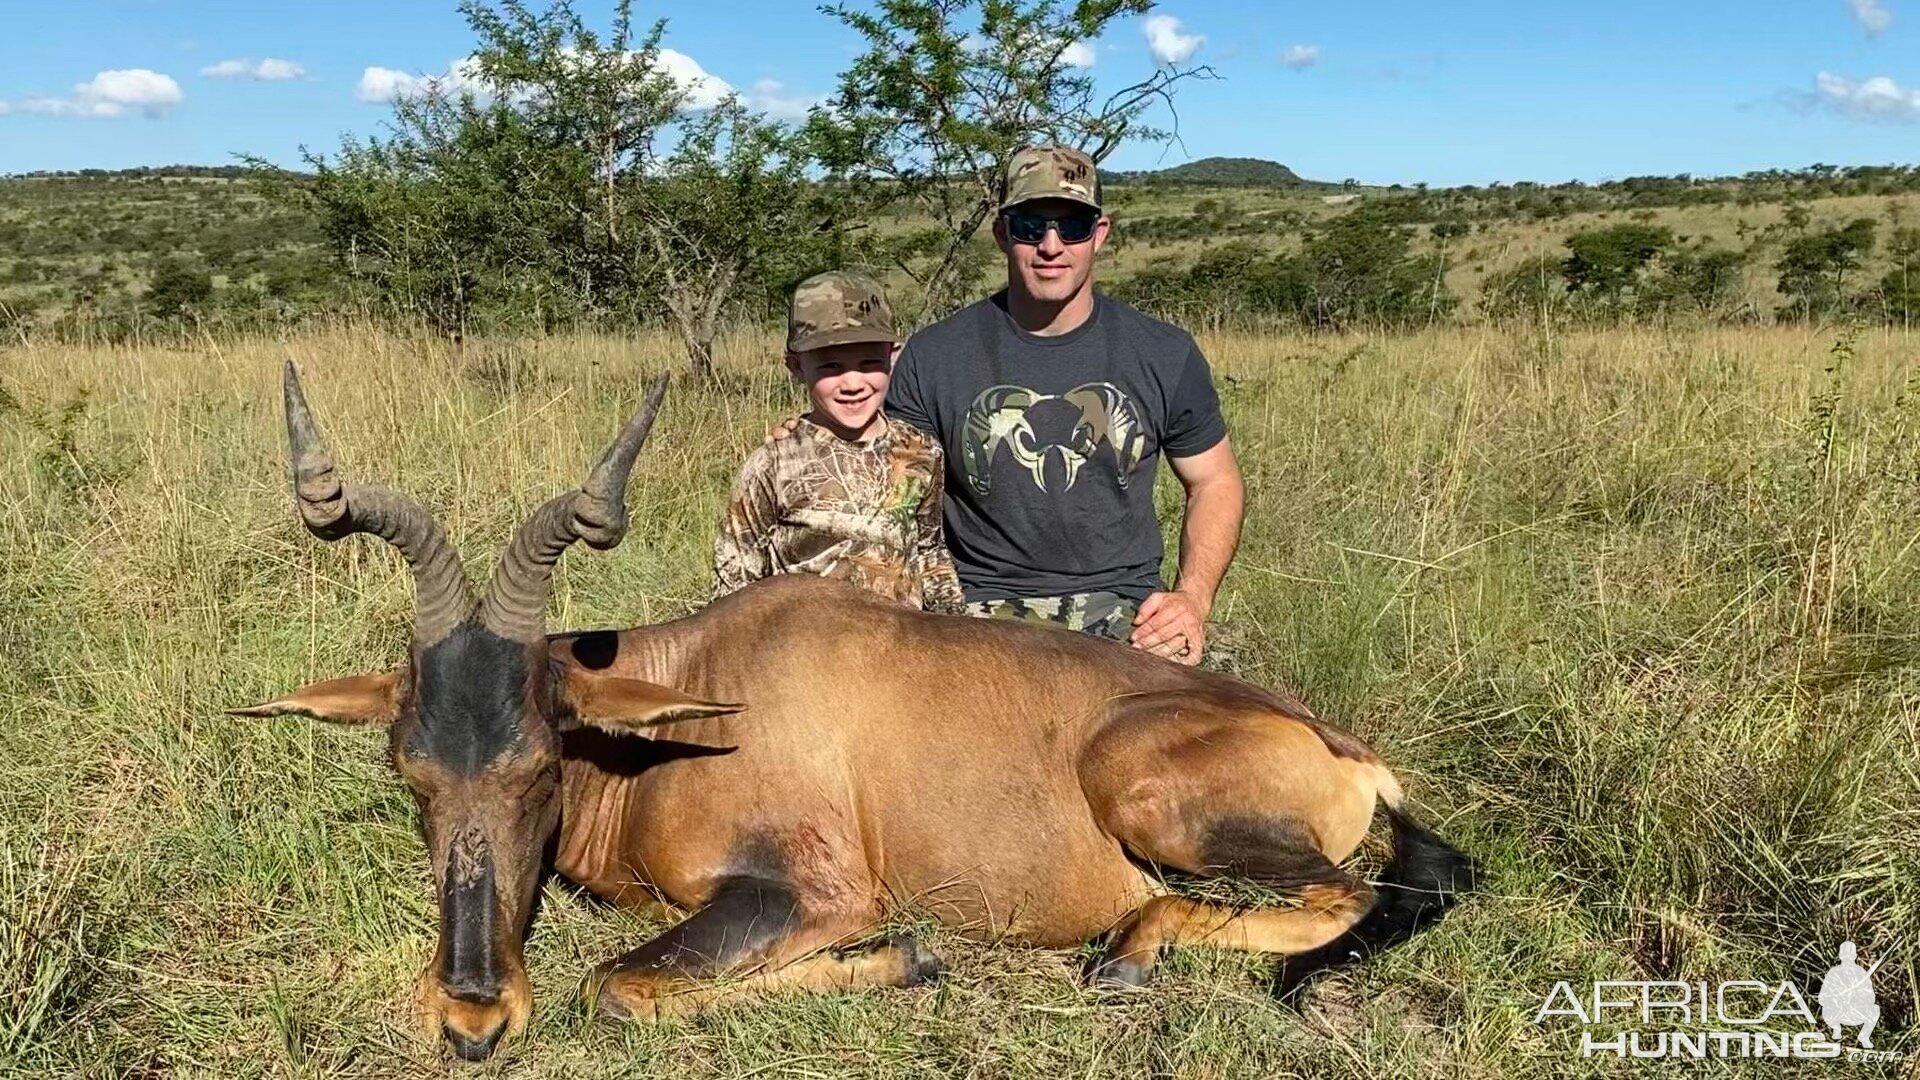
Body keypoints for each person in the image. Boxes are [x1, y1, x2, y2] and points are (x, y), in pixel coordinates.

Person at [884, 145, 1245, 664]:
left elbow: (1215, 481)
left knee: (1227, 727)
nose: (1051, 245)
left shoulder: (1164, 353)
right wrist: (812, 432)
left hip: (1128, 608)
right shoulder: (936, 355)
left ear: (1099, 234)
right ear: (1003, 233)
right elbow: (895, 493)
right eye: (1031, 225)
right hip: (978, 607)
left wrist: (1190, 600)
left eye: (1072, 226)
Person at [713, 271, 966, 613]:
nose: (852, 383)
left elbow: (930, 550)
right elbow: (734, 582)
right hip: (803, 655)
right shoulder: (772, 462)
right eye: (830, 366)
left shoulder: (921, 452)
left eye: (869, 363)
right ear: (796, 366)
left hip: (903, 651)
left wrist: (954, 629)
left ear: (893, 356)